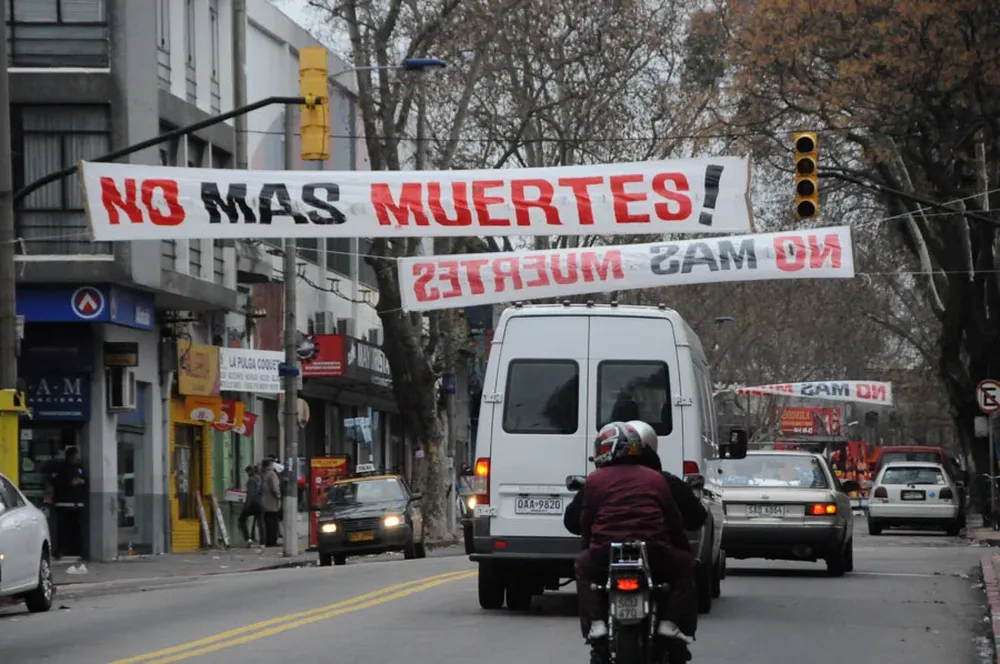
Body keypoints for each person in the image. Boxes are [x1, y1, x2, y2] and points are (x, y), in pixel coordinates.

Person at [565, 420, 704, 645]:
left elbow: (585, 520)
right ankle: (669, 622)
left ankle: (597, 623)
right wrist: (682, 550)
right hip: (654, 551)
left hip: (605, 552)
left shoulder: (596, 480)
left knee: (583, 567)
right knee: (685, 566)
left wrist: (589, 549)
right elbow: (674, 520)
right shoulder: (657, 479)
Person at [45, 446, 87, 560]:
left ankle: (77, 550)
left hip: (77, 505)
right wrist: (70, 483)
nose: (76, 458)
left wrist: (82, 482)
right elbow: (56, 482)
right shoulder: (61, 468)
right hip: (63, 504)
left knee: (77, 529)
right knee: (63, 530)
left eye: (76, 456)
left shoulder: (79, 468)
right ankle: (61, 550)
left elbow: (85, 481)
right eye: (74, 456)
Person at [238, 465, 264, 546]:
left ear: (249, 472)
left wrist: (246, 506)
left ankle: (248, 539)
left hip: (253, 504)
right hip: (260, 503)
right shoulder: (260, 479)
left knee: (241, 520)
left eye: (247, 472)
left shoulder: (251, 480)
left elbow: (250, 495)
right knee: (261, 524)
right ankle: (263, 542)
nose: (247, 474)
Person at [261, 459, 282, 547]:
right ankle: (272, 541)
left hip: (264, 503)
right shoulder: (272, 474)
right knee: (273, 523)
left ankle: (268, 541)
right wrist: (279, 496)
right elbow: (274, 487)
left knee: (268, 523)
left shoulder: (263, 474)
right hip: (272, 503)